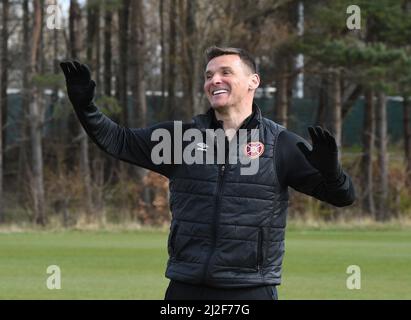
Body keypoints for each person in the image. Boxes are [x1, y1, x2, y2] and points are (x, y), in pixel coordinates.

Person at [60, 46, 356, 300]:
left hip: (250, 288)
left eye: (225, 72)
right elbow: (119, 140)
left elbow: (342, 197)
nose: (215, 80)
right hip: (185, 286)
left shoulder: (280, 144)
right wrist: (85, 107)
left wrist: (332, 174)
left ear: (253, 81)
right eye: (208, 75)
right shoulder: (179, 140)